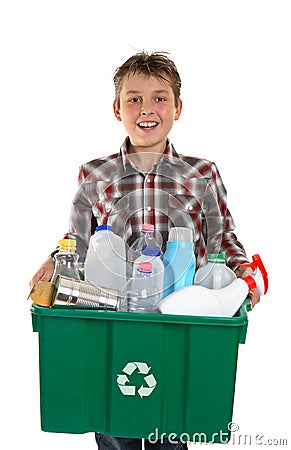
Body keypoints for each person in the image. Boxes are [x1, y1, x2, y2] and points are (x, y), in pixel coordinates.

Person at [30, 51, 260, 449]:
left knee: (171, 420)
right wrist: (54, 262)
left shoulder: (201, 173)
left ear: (178, 108)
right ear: (117, 109)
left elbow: (224, 239)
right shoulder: (95, 173)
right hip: (114, 322)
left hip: (179, 321)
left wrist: (244, 276)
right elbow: (78, 243)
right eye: (134, 98)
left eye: (159, 97)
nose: (146, 108)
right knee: (114, 418)